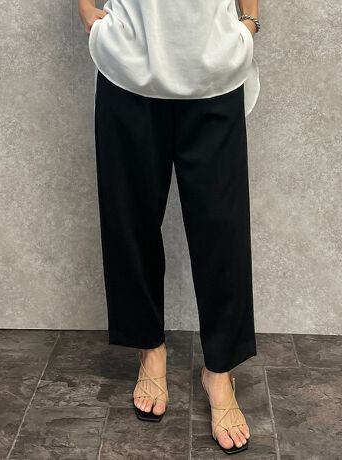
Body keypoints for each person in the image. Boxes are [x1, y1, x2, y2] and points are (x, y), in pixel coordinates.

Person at [78, 0, 260, 454]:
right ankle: (150, 349)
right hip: (129, 62)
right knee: (131, 218)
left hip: (214, 64)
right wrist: (84, 10)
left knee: (222, 229)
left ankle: (219, 371)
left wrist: (249, 22)